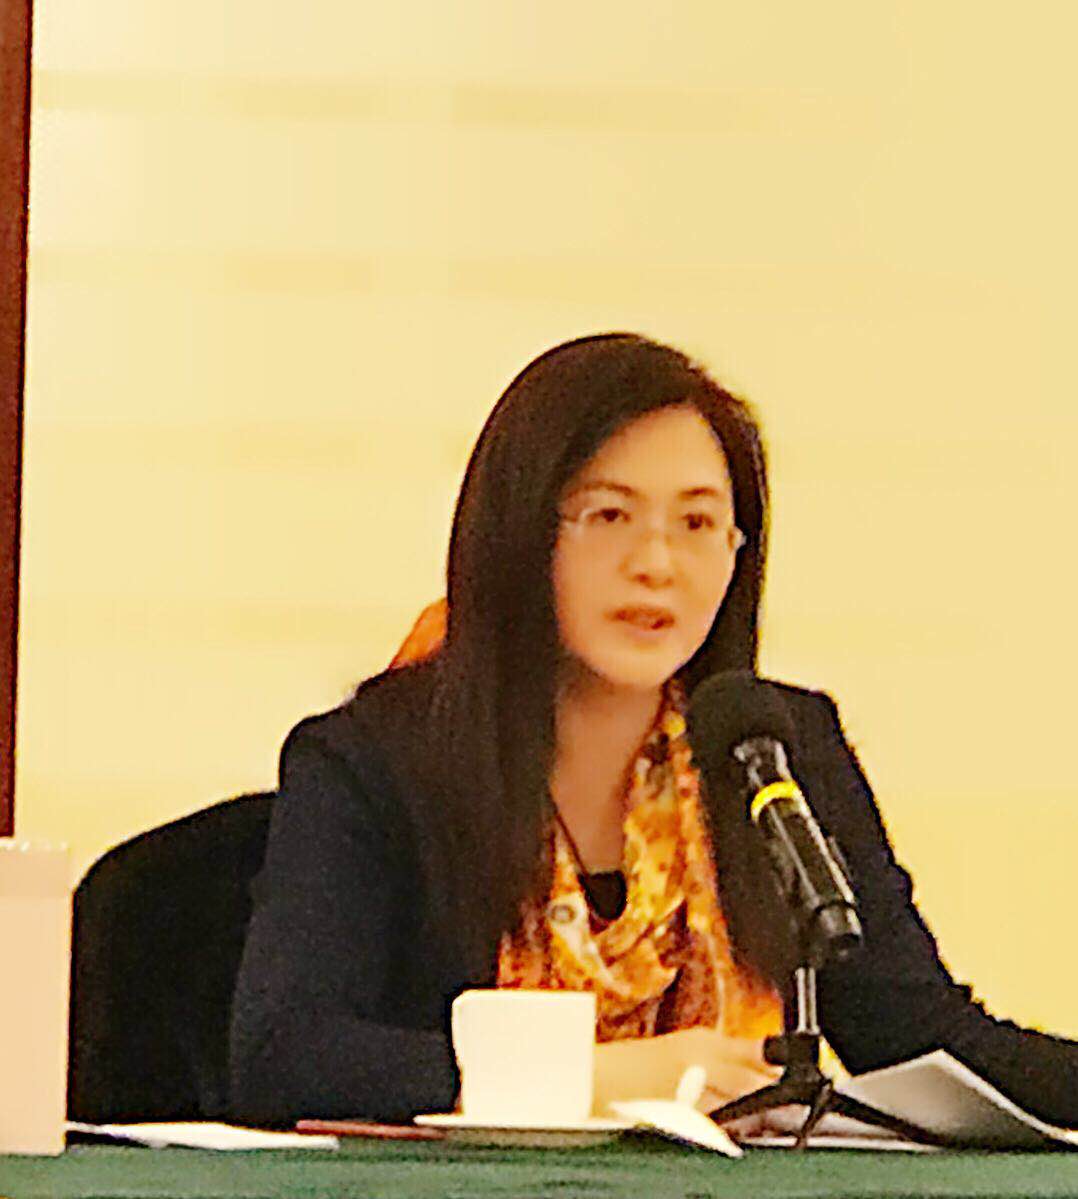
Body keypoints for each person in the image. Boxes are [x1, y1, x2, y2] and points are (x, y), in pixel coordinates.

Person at [229, 333, 1078, 1128]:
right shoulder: (372, 762)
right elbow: (285, 1055)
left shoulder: (776, 749)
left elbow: (920, 1037)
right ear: (519, 532)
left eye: (698, 523)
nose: (657, 563)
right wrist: (605, 1076)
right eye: (610, 516)